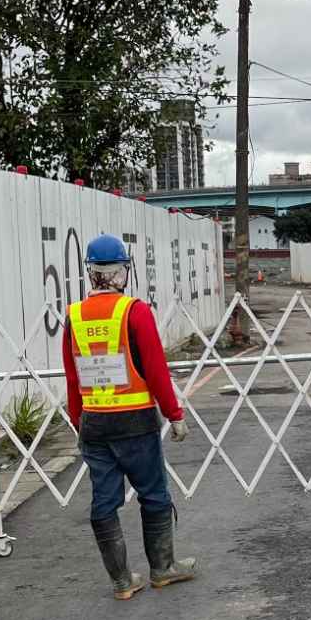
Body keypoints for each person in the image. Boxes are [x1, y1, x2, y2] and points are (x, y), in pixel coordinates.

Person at [63, 233, 195, 598]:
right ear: (122, 272)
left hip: (95, 424)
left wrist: (79, 422)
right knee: (153, 493)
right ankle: (162, 568)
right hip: (135, 421)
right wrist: (174, 413)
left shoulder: (74, 317)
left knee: (104, 500)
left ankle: (122, 581)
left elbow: (72, 376)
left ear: (90, 273)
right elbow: (155, 368)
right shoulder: (134, 311)